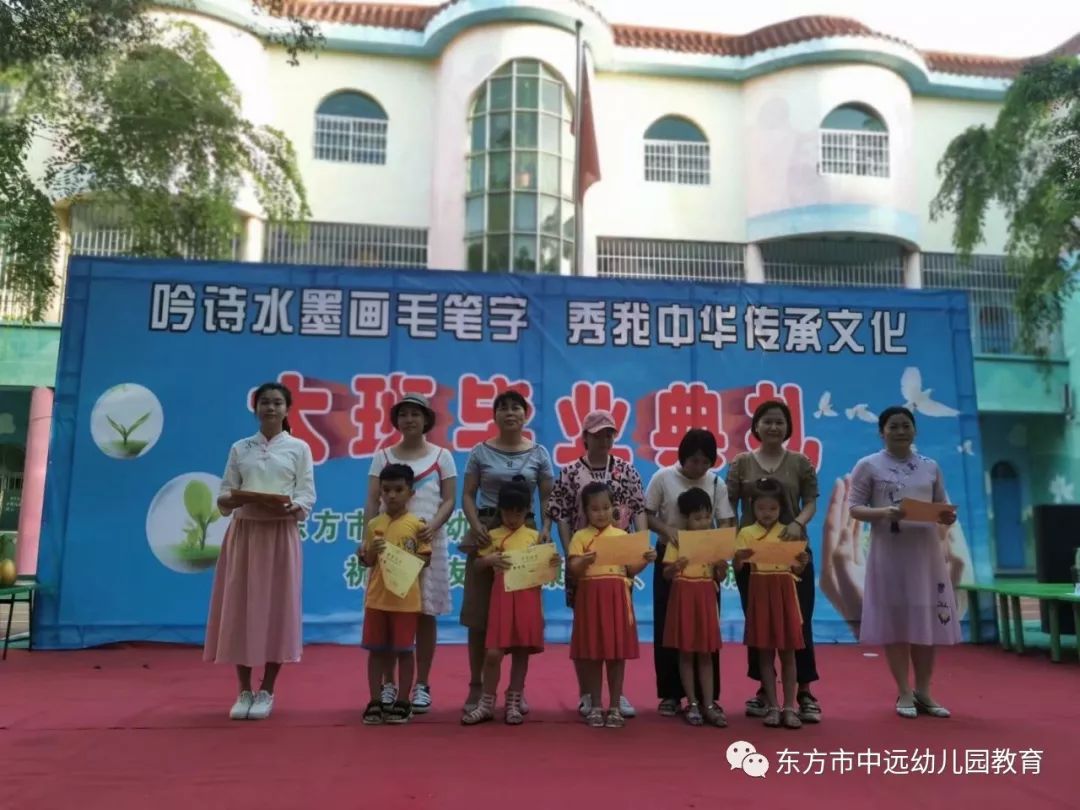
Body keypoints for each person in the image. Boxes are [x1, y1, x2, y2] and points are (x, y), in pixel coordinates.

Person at [205, 381, 316, 721]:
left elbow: (307, 494)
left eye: (277, 403)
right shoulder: (241, 448)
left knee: (277, 609)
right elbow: (225, 493)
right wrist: (236, 499)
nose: (270, 408)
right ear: (255, 408)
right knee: (240, 607)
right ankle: (243, 690)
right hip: (246, 533)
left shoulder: (298, 448)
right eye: (264, 402)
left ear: (287, 409)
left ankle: (267, 688)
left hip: (280, 534)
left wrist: (293, 506)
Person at [847, 406, 960, 719]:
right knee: (897, 621)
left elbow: (941, 506)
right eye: (893, 426)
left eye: (905, 425)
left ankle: (924, 690)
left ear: (915, 430)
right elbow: (854, 508)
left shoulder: (930, 466)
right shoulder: (868, 465)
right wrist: (884, 512)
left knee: (926, 619)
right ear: (881, 432)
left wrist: (947, 516)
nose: (900, 431)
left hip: (925, 553)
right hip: (889, 552)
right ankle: (904, 691)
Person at [459, 390, 555, 715]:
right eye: (503, 408)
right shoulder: (479, 451)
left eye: (516, 407)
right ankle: (477, 687)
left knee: (520, 613)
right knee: (479, 614)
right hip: (487, 530)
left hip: (525, 533)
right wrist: (475, 525)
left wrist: (546, 528)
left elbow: (548, 497)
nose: (510, 413)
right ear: (495, 415)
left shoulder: (539, 453)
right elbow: (468, 494)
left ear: (526, 414)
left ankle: (516, 691)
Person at [727, 399, 822, 724]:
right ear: (756, 426)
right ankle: (765, 692)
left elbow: (810, 502)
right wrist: (733, 543)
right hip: (753, 557)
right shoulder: (741, 463)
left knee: (799, 623)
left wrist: (797, 523)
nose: (773, 427)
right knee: (759, 624)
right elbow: (729, 504)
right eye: (767, 421)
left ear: (788, 427)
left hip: (792, 553)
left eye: (779, 422)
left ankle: (803, 691)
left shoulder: (800, 462)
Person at [547, 409, 647, 718]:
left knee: (616, 628)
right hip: (584, 560)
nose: (604, 439)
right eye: (598, 434)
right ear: (585, 437)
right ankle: (587, 694)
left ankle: (617, 696)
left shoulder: (626, 470)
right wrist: (572, 555)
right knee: (586, 630)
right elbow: (561, 515)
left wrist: (640, 545)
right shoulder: (570, 472)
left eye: (609, 434)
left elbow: (639, 509)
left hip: (619, 564)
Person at [363, 393, 456, 714]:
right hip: (388, 545)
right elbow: (371, 501)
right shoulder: (382, 456)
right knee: (388, 611)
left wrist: (433, 526)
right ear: (396, 420)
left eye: (416, 414)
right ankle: (388, 684)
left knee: (425, 612)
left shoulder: (442, 456)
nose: (409, 419)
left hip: (427, 543)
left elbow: (449, 499)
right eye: (403, 414)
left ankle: (422, 685)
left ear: (426, 419)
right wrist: (367, 540)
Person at [645, 428, 735, 716]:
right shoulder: (663, 477)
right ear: (682, 457)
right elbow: (646, 513)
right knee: (669, 627)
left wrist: (720, 553)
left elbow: (725, 519)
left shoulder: (716, 482)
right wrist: (667, 529)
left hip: (705, 562)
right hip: (671, 557)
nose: (699, 467)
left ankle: (708, 697)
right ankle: (671, 694)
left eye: (706, 461)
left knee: (706, 632)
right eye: (694, 460)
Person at [462, 482, 559, 726]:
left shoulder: (536, 537)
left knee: (521, 651)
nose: (513, 518)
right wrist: (489, 560)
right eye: (507, 512)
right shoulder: (492, 535)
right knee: (493, 653)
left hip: (527, 599)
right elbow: (477, 565)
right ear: (500, 509)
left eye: (518, 512)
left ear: (527, 510)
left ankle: (514, 700)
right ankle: (486, 702)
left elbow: (548, 571)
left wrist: (552, 562)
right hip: (501, 600)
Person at [568, 482, 656, 728]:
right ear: (585, 511)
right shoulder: (580, 537)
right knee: (594, 654)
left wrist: (646, 560)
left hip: (617, 596)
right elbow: (573, 570)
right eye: (595, 509)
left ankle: (615, 706)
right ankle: (596, 705)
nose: (601, 513)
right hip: (590, 598)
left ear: (613, 508)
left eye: (606, 507)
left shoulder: (621, 536)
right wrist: (583, 562)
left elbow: (630, 570)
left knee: (616, 654)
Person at [734, 477, 810, 730]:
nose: (767, 513)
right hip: (760, 591)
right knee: (765, 654)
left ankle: (789, 706)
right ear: (752, 507)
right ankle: (773, 706)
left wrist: (802, 562)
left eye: (773, 508)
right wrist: (739, 558)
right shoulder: (746, 533)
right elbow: (737, 568)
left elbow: (797, 568)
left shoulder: (789, 532)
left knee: (788, 653)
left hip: (784, 591)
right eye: (761, 508)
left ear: (781, 508)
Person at [360, 464, 431, 726]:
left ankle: (403, 701)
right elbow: (367, 561)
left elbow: (425, 560)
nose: (391, 495)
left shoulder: (418, 525)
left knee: (404, 651)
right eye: (386, 490)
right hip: (377, 600)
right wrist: (372, 552)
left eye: (399, 489)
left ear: (411, 493)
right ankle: (375, 700)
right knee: (376, 651)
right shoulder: (374, 525)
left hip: (406, 601)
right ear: (380, 492)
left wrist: (401, 557)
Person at [661, 487, 728, 728]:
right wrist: (675, 566)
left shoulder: (714, 542)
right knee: (686, 652)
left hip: (706, 596)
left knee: (706, 653)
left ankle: (709, 704)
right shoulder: (678, 541)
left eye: (707, 516)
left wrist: (721, 567)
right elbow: (666, 574)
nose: (704, 522)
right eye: (697, 518)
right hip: (683, 595)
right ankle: (692, 703)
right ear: (686, 518)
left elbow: (721, 576)